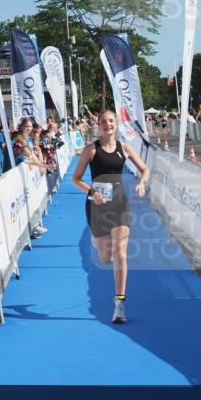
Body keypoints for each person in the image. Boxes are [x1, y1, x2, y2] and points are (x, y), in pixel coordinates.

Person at [71, 109, 150, 324]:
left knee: (120, 253)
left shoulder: (124, 148)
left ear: (116, 124)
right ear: (99, 125)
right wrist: (92, 192)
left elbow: (145, 169)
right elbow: (75, 179)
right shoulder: (91, 150)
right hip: (97, 205)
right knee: (106, 257)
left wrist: (142, 183)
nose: (108, 124)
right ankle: (98, 242)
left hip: (120, 204)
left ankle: (120, 304)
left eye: (111, 121)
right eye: (104, 122)